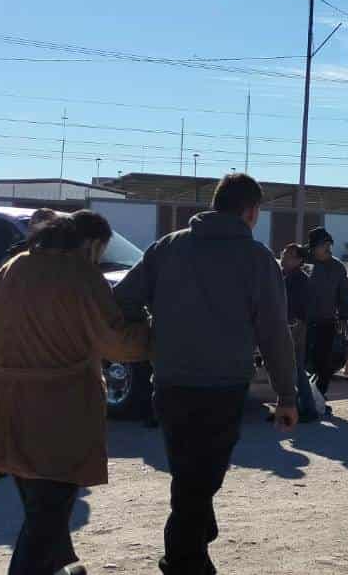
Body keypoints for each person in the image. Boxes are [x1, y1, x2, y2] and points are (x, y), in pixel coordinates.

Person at [112, 173, 298, 574]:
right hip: (223, 386)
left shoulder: (168, 247)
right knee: (201, 476)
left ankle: (194, 537)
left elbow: (122, 298)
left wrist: (147, 338)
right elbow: (273, 331)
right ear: (250, 212)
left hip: (170, 381)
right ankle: (184, 560)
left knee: (189, 471)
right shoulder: (257, 259)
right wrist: (287, 396)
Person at [0, 211, 150, 575]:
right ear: (90, 244)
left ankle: (66, 567)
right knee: (47, 517)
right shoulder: (83, 277)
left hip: (5, 405)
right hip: (61, 409)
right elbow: (117, 344)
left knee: (38, 507)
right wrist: (148, 330)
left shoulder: (16, 266)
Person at [304, 227, 348, 400]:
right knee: (302, 362)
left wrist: (344, 315)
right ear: (313, 247)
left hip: (327, 321)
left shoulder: (337, 266)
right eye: (323, 245)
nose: (327, 248)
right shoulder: (306, 263)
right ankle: (303, 397)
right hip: (304, 322)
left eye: (329, 244)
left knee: (324, 363)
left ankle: (320, 396)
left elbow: (344, 294)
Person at [279, 243, 319, 420]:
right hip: (286, 326)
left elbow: (304, 308)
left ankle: (308, 410)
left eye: (289, 255)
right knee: (287, 369)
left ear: (299, 260)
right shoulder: (285, 276)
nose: (284, 257)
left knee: (295, 369)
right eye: (284, 253)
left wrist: (294, 322)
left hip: (295, 328)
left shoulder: (299, 279)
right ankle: (288, 408)